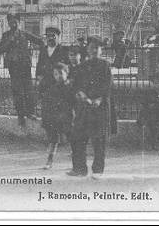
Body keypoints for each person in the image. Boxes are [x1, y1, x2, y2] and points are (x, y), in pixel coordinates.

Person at [69, 37, 113, 178]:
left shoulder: (105, 66)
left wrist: (100, 99)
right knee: (77, 138)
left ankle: (98, 170)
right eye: (91, 47)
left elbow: (108, 86)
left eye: (97, 48)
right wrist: (80, 94)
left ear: (101, 50)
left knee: (99, 140)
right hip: (84, 108)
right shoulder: (82, 67)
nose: (94, 50)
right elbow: (76, 85)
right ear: (87, 50)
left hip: (99, 108)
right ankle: (79, 168)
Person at [0, 13, 43, 127]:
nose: (13, 24)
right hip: (13, 66)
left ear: (19, 23)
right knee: (17, 91)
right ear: (8, 23)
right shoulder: (6, 35)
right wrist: (9, 41)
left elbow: (39, 41)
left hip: (25, 65)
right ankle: (21, 115)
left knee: (28, 89)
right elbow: (0, 49)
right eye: (11, 22)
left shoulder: (24, 34)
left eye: (16, 22)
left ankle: (30, 112)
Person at [40, 62, 75, 170]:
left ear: (66, 73)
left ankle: (76, 161)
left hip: (67, 117)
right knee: (53, 140)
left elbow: (73, 102)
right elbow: (47, 103)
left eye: (61, 73)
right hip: (55, 118)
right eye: (55, 74)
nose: (58, 76)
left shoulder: (70, 87)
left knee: (72, 139)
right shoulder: (52, 89)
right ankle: (49, 161)